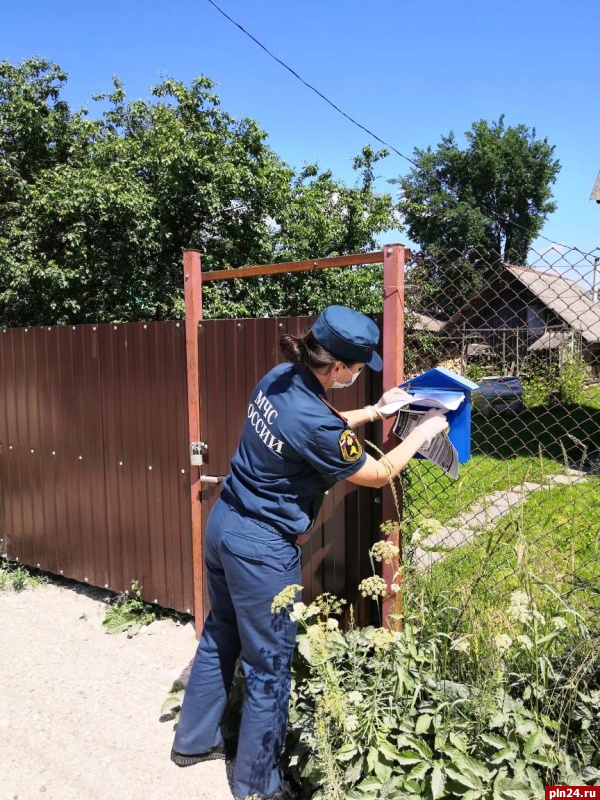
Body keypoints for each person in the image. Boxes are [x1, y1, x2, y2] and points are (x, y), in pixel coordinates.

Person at [170, 305, 448, 800]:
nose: (356, 375)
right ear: (337, 366)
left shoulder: (280, 377)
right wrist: (424, 433)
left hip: (225, 523)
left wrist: (377, 411)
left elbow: (322, 425)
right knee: (269, 669)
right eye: (357, 368)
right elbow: (377, 473)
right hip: (260, 548)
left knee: (220, 632)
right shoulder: (315, 421)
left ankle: (193, 741)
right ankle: (259, 787)